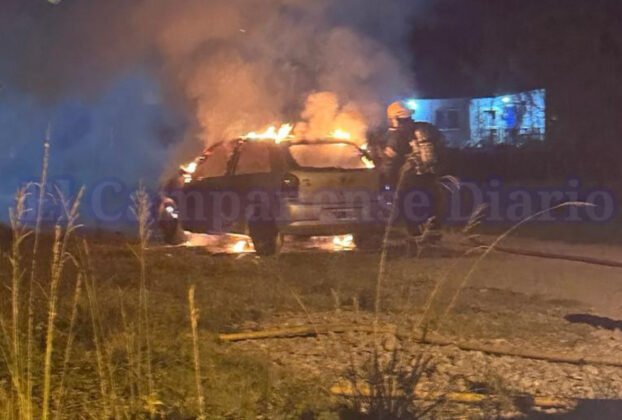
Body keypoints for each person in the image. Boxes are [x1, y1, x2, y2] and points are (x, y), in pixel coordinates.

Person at [383, 101, 445, 239]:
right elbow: (442, 148)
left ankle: (416, 239)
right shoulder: (426, 128)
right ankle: (433, 237)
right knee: (431, 207)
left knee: (411, 210)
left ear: (394, 118)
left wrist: (387, 181)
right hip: (430, 177)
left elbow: (390, 163)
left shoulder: (397, 136)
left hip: (409, 181)